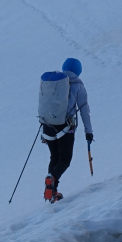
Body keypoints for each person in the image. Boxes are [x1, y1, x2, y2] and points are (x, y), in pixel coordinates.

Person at [42, 57, 93, 202]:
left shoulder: (54, 83)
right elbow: (84, 111)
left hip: (48, 126)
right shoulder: (78, 86)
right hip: (66, 128)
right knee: (65, 159)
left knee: (54, 157)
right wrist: (88, 132)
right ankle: (52, 180)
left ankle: (52, 191)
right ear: (78, 71)